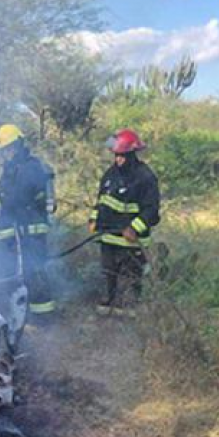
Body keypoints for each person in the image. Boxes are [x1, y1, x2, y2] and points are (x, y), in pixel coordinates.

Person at [0, 124, 57, 322]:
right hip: (14, 231)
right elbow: (6, 192)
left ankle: (43, 318)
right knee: (10, 272)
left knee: (33, 272)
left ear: (19, 146)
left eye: (9, 149)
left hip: (30, 230)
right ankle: (16, 313)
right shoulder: (12, 169)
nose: (6, 154)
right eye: (3, 151)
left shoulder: (31, 168)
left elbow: (18, 197)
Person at [89, 128, 160, 310]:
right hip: (108, 236)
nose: (117, 160)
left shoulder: (145, 177)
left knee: (130, 276)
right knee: (108, 272)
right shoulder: (110, 174)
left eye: (121, 156)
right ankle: (108, 302)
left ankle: (128, 309)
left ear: (132, 154)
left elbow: (151, 210)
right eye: (116, 155)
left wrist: (134, 228)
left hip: (131, 241)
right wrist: (93, 219)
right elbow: (101, 200)